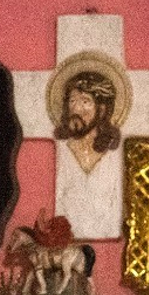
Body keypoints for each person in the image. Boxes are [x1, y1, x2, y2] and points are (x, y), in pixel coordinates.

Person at [54, 71, 123, 239]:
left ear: (101, 109)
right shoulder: (60, 150)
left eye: (85, 101)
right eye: (72, 101)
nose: (76, 109)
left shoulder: (115, 154)